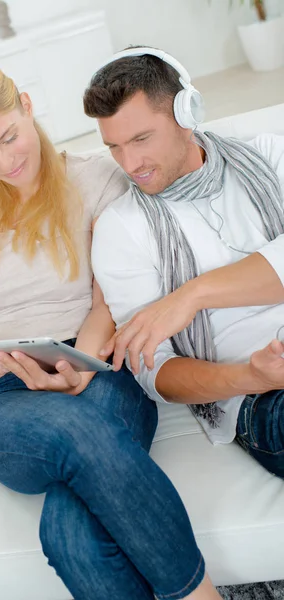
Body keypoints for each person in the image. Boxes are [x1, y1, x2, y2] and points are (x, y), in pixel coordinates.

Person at [0, 60, 221, 599]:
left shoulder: (98, 178)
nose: (3, 162)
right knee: (74, 433)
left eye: (9, 138)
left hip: (101, 369)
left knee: (70, 534)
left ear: (27, 105)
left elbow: (108, 304)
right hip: (5, 397)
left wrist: (79, 367)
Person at [85, 46, 284, 477]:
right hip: (262, 398)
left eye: (141, 139)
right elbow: (154, 370)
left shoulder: (271, 157)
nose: (130, 164)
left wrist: (193, 295)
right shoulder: (121, 229)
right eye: (114, 147)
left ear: (187, 113)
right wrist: (252, 377)